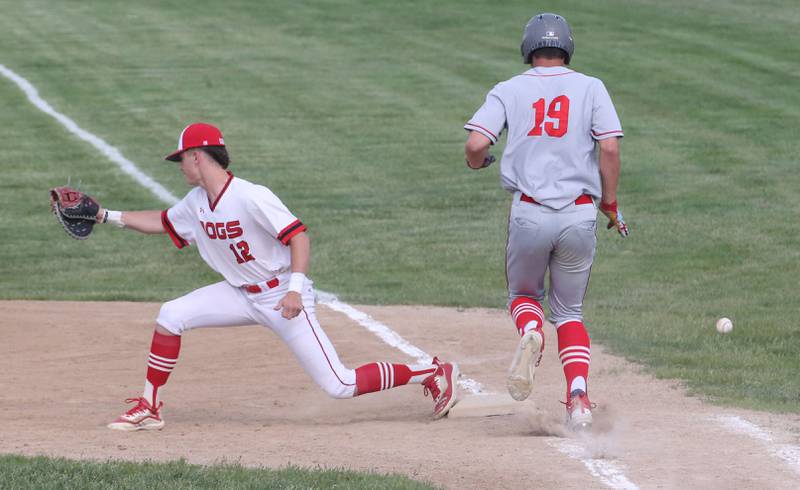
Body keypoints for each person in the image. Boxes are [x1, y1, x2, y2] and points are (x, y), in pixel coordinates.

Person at [97, 122, 458, 431]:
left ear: (197, 155)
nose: (179, 166)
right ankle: (149, 406)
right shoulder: (195, 202)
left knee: (339, 384)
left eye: (181, 158)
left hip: (282, 295)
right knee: (170, 315)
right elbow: (160, 223)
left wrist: (296, 291)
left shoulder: (251, 196)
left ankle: (430, 371)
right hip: (240, 294)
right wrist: (104, 215)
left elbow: (298, 236)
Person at [463, 13, 628, 431]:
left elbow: (476, 143)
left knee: (523, 296)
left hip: (530, 212)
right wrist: (610, 203)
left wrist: (480, 162)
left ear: (528, 49)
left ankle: (531, 328)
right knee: (570, 312)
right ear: (567, 47)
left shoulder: (508, 89)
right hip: (579, 213)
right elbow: (608, 149)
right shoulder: (592, 87)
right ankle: (578, 398)